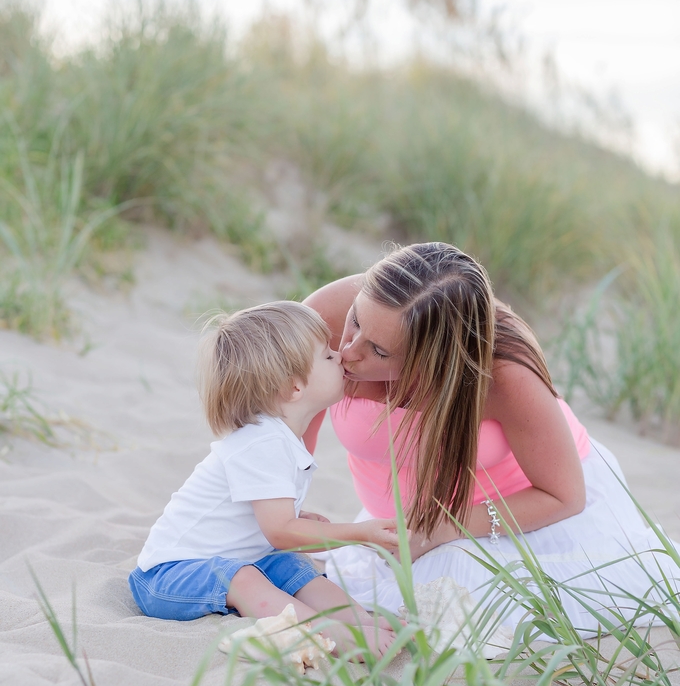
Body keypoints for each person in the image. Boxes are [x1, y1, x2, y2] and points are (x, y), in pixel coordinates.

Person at [304, 241, 678, 636]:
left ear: (437, 359)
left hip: (523, 513)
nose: (347, 351)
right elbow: (279, 430)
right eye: (355, 321)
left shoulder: (507, 376)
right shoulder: (327, 316)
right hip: (405, 516)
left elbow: (563, 495)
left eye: (379, 351)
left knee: (454, 618)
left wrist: (443, 528)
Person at [128, 301, 398, 657]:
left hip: (231, 560)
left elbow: (277, 529)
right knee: (245, 577)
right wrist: (360, 534)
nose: (341, 356)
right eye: (327, 356)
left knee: (288, 564)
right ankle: (325, 635)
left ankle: (358, 620)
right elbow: (281, 533)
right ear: (294, 387)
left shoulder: (280, 439)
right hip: (165, 577)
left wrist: (298, 521)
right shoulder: (264, 441)